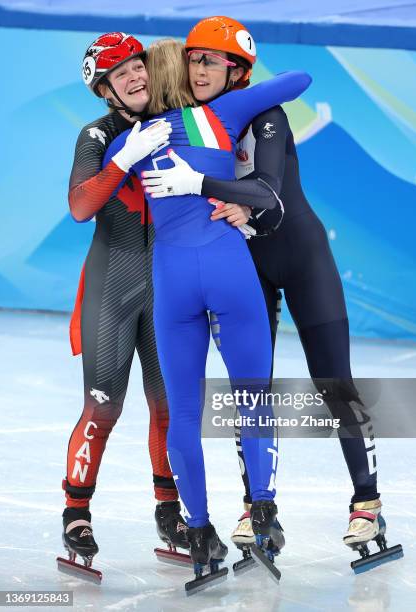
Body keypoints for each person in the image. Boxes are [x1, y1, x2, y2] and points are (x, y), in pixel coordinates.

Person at [142, 16, 402, 573]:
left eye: (211, 60)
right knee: (249, 390)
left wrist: (209, 188)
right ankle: (259, 507)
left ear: (237, 70)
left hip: (300, 256)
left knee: (334, 382)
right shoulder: (191, 121)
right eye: (193, 59)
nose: (199, 68)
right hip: (245, 267)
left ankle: (368, 502)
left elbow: (269, 196)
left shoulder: (263, 115)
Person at [103, 35, 311, 588]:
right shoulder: (219, 115)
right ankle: (262, 513)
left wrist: (127, 151)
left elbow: (95, 201)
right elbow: (298, 82)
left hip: (171, 281)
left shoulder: (131, 140)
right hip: (227, 267)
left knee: (185, 414)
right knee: (252, 398)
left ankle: (199, 535)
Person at [59, 32, 188, 580]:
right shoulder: (97, 134)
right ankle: (76, 514)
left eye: (138, 66)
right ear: (106, 90)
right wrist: (125, 158)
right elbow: (80, 206)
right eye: (122, 74)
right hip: (113, 288)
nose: (136, 76)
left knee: (166, 407)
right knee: (104, 406)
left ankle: (169, 512)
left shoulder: (176, 120)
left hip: (164, 288)